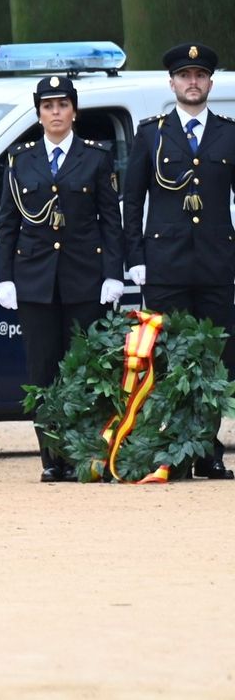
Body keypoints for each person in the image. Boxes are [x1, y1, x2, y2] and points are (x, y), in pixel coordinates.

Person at [0, 74, 123, 482]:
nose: (56, 112)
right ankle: (52, 458)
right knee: (42, 372)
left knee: (84, 370)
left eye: (62, 104)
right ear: (38, 113)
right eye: (48, 105)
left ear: (75, 111)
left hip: (84, 279)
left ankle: (85, 454)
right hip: (35, 281)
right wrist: (5, 278)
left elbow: (110, 221)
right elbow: (8, 225)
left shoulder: (96, 157)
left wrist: (112, 274)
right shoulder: (21, 159)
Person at [123, 43, 235, 478]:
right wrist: (136, 257)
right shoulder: (151, 134)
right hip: (165, 264)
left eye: (200, 75)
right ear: (171, 83)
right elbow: (132, 200)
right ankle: (172, 450)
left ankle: (208, 450)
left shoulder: (228, 133)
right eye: (185, 75)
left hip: (214, 265)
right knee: (168, 360)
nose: (193, 82)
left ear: (210, 82)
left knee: (212, 360)